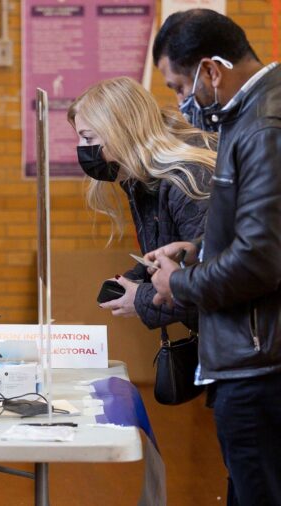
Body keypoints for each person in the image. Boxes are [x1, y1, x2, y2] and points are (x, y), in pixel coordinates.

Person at [147, 9, 281, 505]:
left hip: (259, 365)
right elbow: (258, 230)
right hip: (253, 357)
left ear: (212, 71)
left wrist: (177, 284)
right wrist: (199, 249)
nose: (183, 102)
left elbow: (259, 261)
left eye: (180, 86)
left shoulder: (264, 125)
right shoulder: (249, 117)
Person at [66, 76, 215, 332]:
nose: (81, 148)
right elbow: (169, 251)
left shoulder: (188, 180)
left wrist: (142, 298)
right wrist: (137, 277)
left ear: (120, 132)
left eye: (88, 138)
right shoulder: (141, 180)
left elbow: (215, 284)